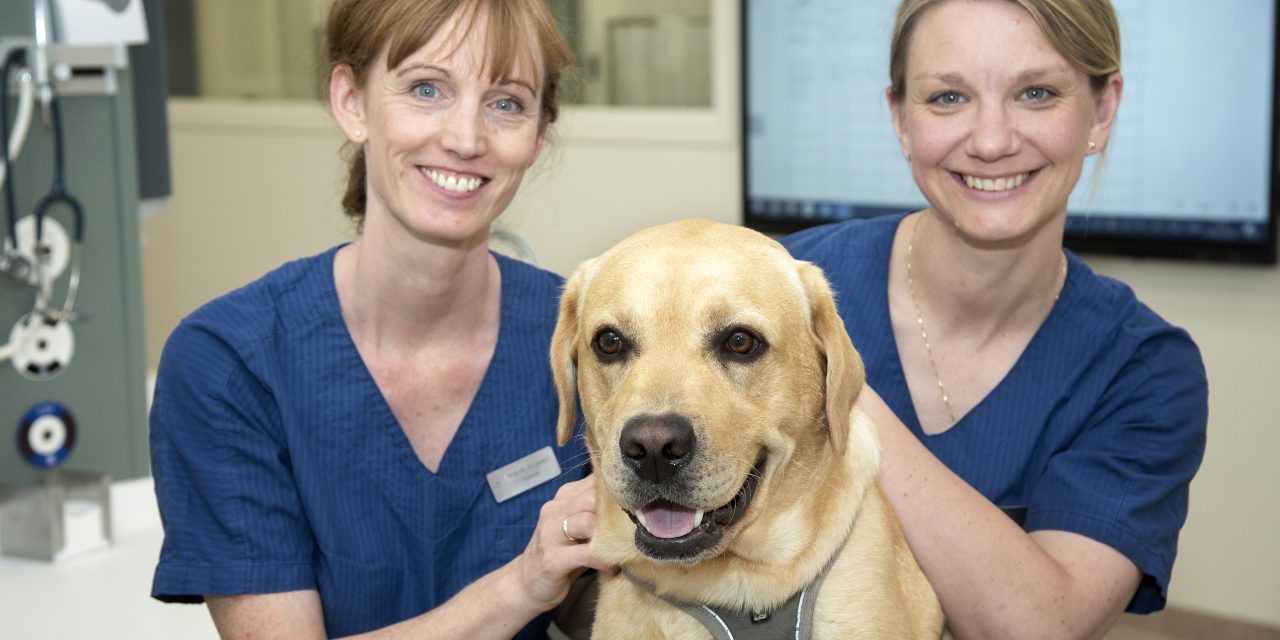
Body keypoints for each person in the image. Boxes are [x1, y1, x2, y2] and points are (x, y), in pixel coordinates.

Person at [148, 1, 610, 637]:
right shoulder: (230, 364)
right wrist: (521, 584)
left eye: (506, 102)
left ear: (537, 132)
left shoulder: (590, 342)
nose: (467, 138)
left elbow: (610, 602)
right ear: (352, 102)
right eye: (426, 89)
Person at [781, 1, 1207, 638]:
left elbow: (1037, 625)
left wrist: (831, 377)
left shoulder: (1142, 372)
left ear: (1103, 109)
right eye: (948, 98)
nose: (991, 141)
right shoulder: (777, 287)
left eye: (1036, 93)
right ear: (900, 118)